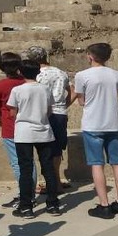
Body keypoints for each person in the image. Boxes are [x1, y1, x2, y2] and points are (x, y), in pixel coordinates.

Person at [72, 43, 118, 219]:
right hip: (113, 123)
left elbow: (81, 100)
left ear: (90, 56)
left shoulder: (82, 75)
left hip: (93, 124)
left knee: (97, 164)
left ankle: (104, 204)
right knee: (117, 163)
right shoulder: (116, 75)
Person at [6, 59, 63, 218]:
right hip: (44, 132)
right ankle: (53, 205)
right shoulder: (44, 89)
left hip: (24, 133)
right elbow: (49, 111)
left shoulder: (17, 90)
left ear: (20, 72)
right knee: (48, 169)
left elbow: (12, 112)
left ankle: (26, 207)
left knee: (25, 170)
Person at [0, 53, 37, 209]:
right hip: (30, 125)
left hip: (10, 127)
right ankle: (31, 194)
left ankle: (25, 195)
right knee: (30, 162)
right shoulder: (26, 82)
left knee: (17, 163)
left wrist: (0, 121)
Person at [26, 46, 73, 191]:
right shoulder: (61, 72)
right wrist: (64, 105)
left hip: (42, 114)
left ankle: (52, 183)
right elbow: (73, 92)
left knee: (44, 151)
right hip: (59, 113)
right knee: (57, 150)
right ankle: (56, 182)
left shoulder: (36, 75)